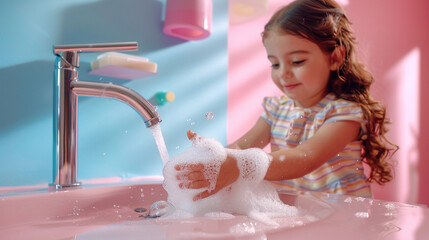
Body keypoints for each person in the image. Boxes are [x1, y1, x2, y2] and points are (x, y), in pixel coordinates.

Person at [175, 0, 398, 201]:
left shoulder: (344, 113)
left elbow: (304, 158)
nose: (283, 74)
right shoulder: (276, 110)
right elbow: (241, 147)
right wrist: (215, 158)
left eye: (297, 61)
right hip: (295, 214)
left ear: (335, 57)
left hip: (344, 218)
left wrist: (241, 166)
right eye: (275, 64)